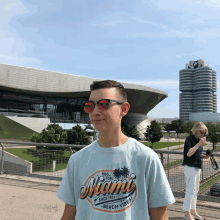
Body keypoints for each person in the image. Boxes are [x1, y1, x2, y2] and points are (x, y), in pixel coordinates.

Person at [57, 80, 175, 220]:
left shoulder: (146, 158)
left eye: (103, 104)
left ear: (124, 109)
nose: (95, 112)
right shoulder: (77, 160)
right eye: (90, 106)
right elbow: (69, 213)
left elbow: (159, 215)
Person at [182, 122, 210, 220]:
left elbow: (196, 154)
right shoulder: (189, 139)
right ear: (196, 130)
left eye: (204, 133)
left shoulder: (198, 140)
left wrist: (205, 157)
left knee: (195, 190)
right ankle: (187, 213)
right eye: (202, 132)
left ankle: (193, 210)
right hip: (190, 167)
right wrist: (199, 144)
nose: (203, 135)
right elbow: (189, 154)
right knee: (190, 191)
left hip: (197, 166)